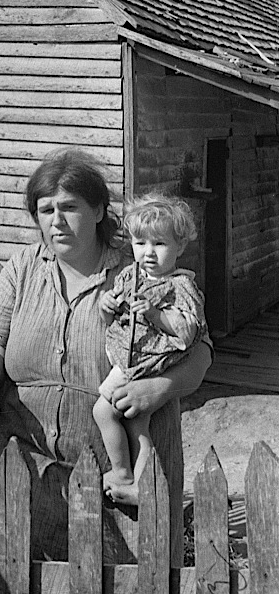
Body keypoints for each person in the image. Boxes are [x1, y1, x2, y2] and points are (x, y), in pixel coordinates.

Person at [0, 148, 212, 565]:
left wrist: (156, 389)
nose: (56, 220)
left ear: (97, 210)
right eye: (45, 210)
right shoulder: (22, 268)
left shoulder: (141, 269)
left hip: (117, 480)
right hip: (27, 473)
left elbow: (200, 351)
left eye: (69, 207)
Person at [93, 193, 208, 505]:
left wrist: (155, 315)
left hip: (150, 362)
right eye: (140, 243)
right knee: (134, 422)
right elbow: (110, 317)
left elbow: (189, 332)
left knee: (107, 411)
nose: (149, 253)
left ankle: (125, 475)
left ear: (180, 247)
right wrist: (108, 304)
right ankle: (133, 479)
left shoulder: (181, 286)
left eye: (159, 244)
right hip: (127, 357)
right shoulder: (130, 276)